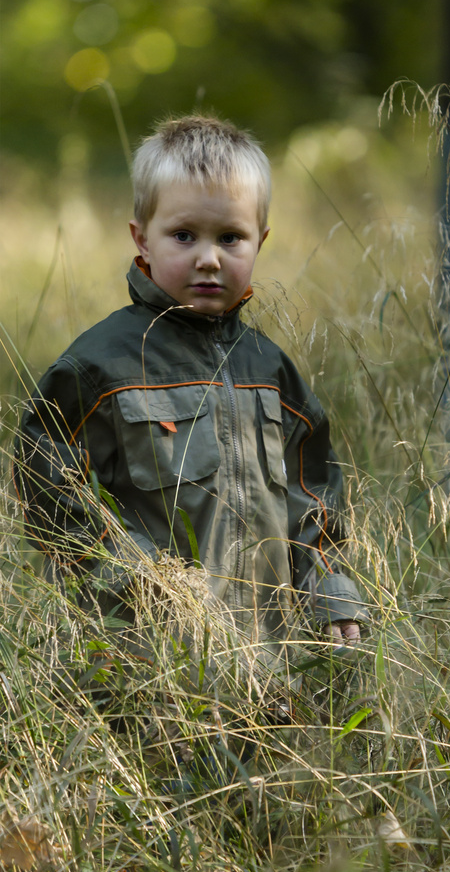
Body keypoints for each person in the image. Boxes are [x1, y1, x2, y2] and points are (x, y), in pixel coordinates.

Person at [14, 114, 367, 661]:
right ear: (142, 239)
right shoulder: (101, 365)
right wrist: (132, 574)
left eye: (231, 237)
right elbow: (48, 487)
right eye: (184, 236)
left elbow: (315, 497)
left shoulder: (271, 370)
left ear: (260, 241)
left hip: (272, 661)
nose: (208, 257)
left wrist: (333, 591)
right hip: (143, 658)